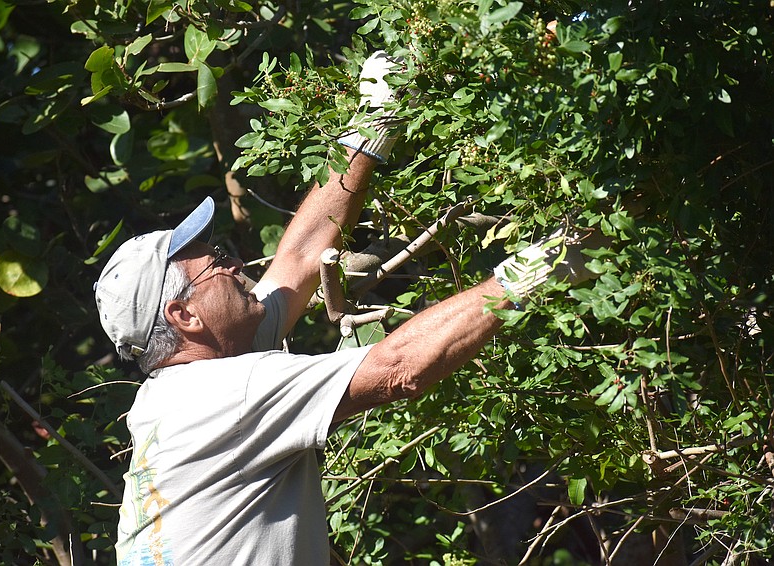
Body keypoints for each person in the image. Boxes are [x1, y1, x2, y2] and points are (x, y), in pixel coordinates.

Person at [94, 52, 600, 565]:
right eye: (217, 262)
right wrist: (536, 270)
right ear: (185, 317)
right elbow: (398, 368)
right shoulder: (225, 393)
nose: (236, 261)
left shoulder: (186, 386)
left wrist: (376, 120)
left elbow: (299, 256)